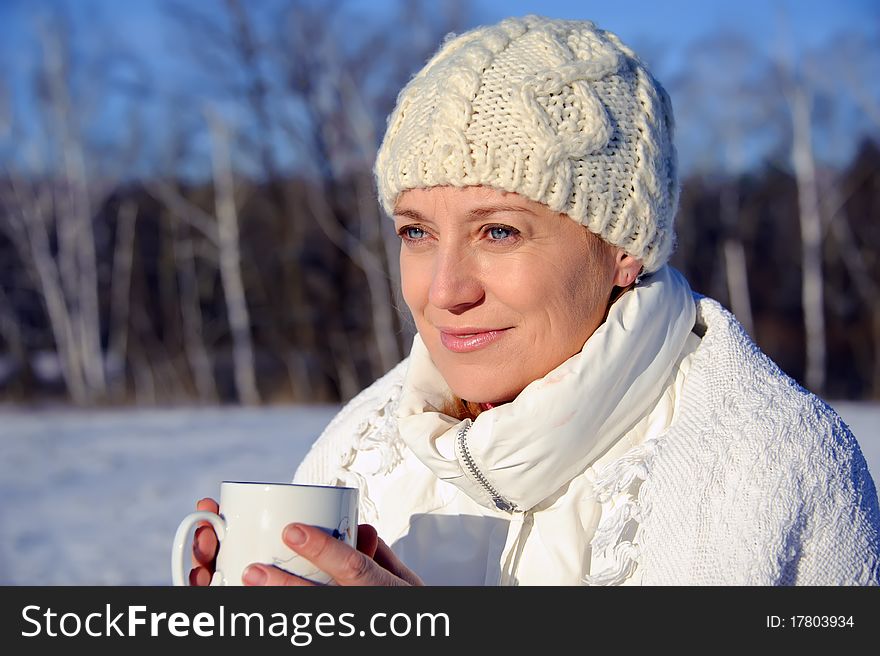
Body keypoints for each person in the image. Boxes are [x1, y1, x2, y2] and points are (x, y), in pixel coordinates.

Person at [189, 15, 880, 586]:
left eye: (498, 230)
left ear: (622, 247)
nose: (444, 291)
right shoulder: (363, 444)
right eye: (417, 233)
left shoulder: (771, 466)